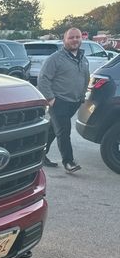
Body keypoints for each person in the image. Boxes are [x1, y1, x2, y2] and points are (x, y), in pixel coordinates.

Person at [38, 27, 89, 173]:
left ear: (81, 39)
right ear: (64, 40)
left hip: (74, 102)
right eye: (71, 37)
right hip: (59, 102)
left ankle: (38, 155)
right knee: (64, 131)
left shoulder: (83, 59)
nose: (75, 40)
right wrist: (50, 99)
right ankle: (69, 162)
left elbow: (86, 78)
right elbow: (43, 79)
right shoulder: (55, 59)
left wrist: (82, 95)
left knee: (53, 131)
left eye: (77, 37)